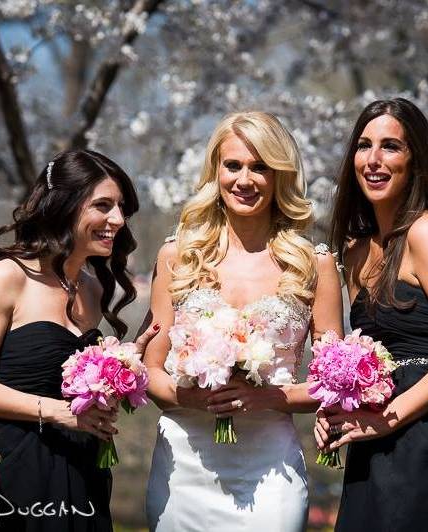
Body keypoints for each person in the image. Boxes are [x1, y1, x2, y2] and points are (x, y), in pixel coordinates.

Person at [143, 111, 343, 531]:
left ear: (280, 177)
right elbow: (152, 370)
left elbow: (335, 383)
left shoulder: (313, 264)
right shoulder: (178, 256)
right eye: (233, 165)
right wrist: (190, 398)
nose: (245, 180)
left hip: (271, 470)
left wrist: (268, 397)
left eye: (261, 167)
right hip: (184, 468)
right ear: (216, 170)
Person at [0, 149, 156, 532]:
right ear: (65, 205)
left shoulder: (94, 290)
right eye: (103, 205)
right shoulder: (7, 277)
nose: (117, 219)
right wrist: (58, 411)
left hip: (84, 473)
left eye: (121, 209)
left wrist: (122, 372)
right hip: (14, 469)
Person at [315, 98, 428, 532]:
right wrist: (337, 406)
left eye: (390, 146)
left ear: (416, 160)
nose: (372, 160)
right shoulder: (354, 252)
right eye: (363, 146)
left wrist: (387, 418)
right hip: (373, 446)